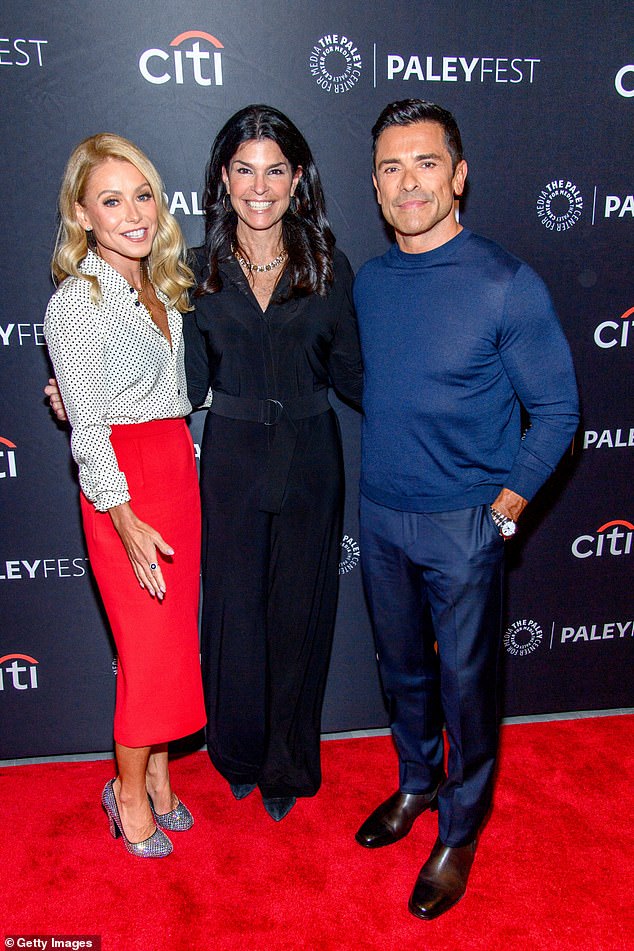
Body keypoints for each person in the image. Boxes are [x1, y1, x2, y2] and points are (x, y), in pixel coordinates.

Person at [353, 100, 579, 919]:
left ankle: (461, 825)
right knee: (402, 670)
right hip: (379, 516)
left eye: (423, 163)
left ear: (458, 175)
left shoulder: (505, 283)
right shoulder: (371, 283)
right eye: (389, 167)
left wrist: (504, 509)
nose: (407, 182)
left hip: (465, 525)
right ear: (376, 188)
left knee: (466, 685)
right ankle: (416, 785)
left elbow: (556, 410)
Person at [183, 105, 363, 820]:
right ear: (224, 179)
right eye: (245, 170)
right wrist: (87, 395)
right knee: (233, 613)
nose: (261, 187)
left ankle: (288, 765)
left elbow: (354, 374)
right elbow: (182, 384)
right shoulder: (196, 270)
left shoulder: (331, 265)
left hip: (312, 458)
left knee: (300, 613)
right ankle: (237, 752)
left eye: (276, 170)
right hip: (229, 460)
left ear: (298, 179)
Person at [44, 133, 206, 858]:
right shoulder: (76, 302)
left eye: (142, 194)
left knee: (171, 640)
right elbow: (89, 427)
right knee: (144, 648)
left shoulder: (162, 283)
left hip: (173, 464)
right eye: (111, 199)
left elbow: (158, 391)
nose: (133, 212)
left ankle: (164, 778)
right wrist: (122, 514)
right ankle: (127, 790)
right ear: (82, 213)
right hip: (124, 484)